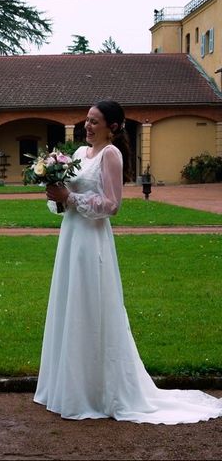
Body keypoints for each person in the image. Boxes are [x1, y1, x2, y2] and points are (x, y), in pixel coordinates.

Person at [35, 99, 222, 423]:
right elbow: (66, 200)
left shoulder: (112, 155)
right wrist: (57, 195)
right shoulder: (79, 154)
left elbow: (112, 205)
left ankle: (99, 391)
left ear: (113, 126)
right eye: (87, 120)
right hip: (71, 237)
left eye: (95, 121)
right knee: (71, 305)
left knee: (92, 308)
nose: (88, 126)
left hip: (92, 240)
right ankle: (68, 386)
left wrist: (71, 198)